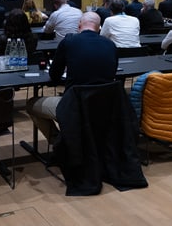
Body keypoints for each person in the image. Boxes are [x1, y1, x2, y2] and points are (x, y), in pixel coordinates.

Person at [27, 12, 118, 141]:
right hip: (104, 106)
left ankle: (58, 143)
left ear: (79, 25)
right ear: (99, 28)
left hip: (75, 105)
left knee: (32, 103)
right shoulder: (111, 45)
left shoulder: (69, 41)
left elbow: (54, 75)